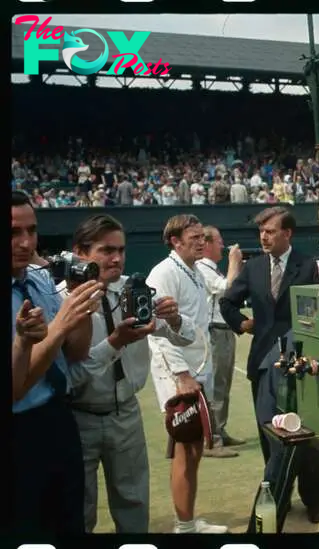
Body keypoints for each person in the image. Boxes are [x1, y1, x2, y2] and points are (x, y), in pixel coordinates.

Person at [56, 214, 197, 533]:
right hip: (79, 416)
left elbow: (188, 337)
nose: (117, 258)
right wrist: (115, 343)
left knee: (134, 505)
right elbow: (69, 377)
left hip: (127, 415)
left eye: (121, 250)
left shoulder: (136, 290)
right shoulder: (61, 299)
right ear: (80, 252)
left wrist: (175, 320)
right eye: (107, 250)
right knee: (81, 508)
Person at [220, 206, 319, 526]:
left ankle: (312, 500)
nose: (264, 237)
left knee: (306, 434)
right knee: (272, 435)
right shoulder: (253, 269)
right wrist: (243, 323)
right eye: (261, 232)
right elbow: (227, 302)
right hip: (263, 366)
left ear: (287, 234)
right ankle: (279, 491)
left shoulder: (309, 266)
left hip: (302, 364)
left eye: (270, 231)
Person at [11, 190, 103, 534]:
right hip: (18, 431)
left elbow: (75, 351)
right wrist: (61, 323)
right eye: (13, 233)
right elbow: (15, 390)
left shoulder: (39, 280)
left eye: (31, 231)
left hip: (59, 417)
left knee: (69, 521)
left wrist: (81, 307)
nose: (25, 242)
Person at [146, 214, 229, 533]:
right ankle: (185, 527)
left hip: (197, 372)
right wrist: (181, 375)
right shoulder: (164, 273)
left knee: (192, 450)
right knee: (186, 447)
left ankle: (188, 521)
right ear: (174, 241)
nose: (201, 242)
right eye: (193, 237)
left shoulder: (192, 271)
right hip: (179, 376)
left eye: (202, 237)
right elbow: (155, 331)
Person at [196, 225, 246, 454]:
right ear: (206, 244)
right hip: (214, 331)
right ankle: (211, 439)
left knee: (223, 385)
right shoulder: (202, 268)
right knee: (215, 385)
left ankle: (220, 431)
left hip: (224, 330)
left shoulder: (212, 269)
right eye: (218, 241)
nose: (222, 246)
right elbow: (227, 289)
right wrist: (234, 262)